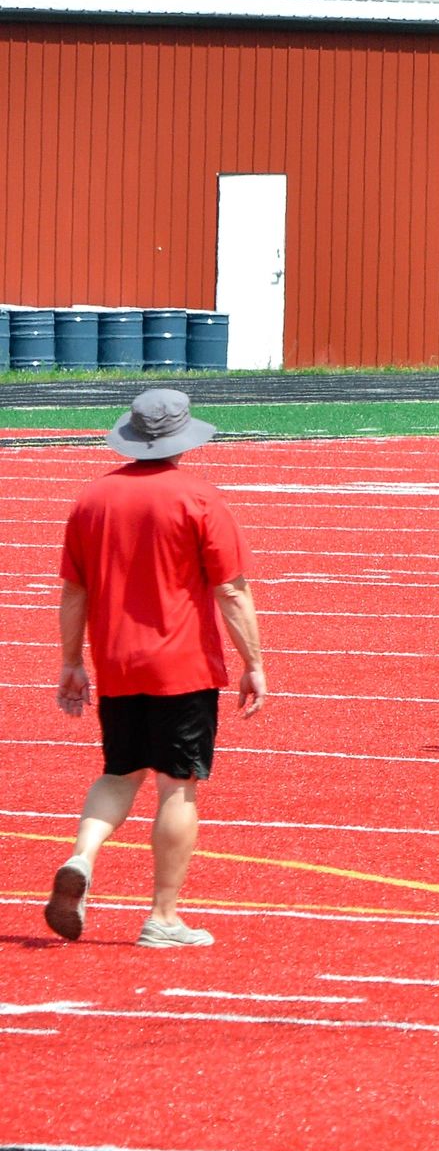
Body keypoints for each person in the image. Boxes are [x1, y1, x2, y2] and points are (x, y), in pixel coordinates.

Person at [47, 390, 268, 947]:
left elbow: (74, 591)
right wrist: (253, 662)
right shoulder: (199, 498)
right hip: (182, 666)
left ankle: (81, 857)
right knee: (177, 785)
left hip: (117, 663)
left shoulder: (92, 499)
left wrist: (71, 662)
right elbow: (231, 591)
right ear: (182, 439)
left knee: (119, 773)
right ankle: (163, 918)